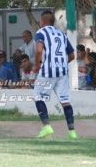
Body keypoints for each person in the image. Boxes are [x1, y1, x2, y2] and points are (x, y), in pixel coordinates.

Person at [33, 10, 77, 139]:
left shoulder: (41, 32)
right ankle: (72, 132)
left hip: (48, 71)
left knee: (38, 96)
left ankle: (47, 127)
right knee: (65, 101)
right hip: (62, 72)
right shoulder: (61, 34)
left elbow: (38, 51)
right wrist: (62, 64)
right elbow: (72, 56)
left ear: (43, 21)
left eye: (40, 21)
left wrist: (37, 66)